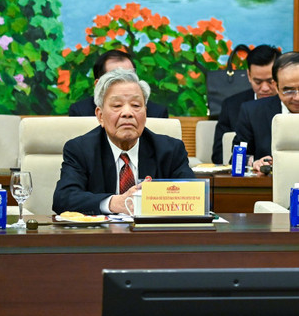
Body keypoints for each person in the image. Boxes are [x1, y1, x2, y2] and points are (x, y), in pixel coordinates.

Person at [53, 68, 194, 215]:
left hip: (153, 235)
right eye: (117, 106)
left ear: (145, 113)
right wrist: (114, 203)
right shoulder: (80, 149)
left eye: (136, 105)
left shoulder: (170, 150)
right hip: (101, 236)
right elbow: (63, 199)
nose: (127, 113)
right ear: (100, 116)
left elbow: (195, 198)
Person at [211, 45, 281, 163]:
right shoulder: (232, 106)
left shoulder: (291, 103)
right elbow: (219, 155)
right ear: (249, 76)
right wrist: (252, 161)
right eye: (257, 82)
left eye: (271, 81)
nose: (264, 88)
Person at [69, 50, 169, 118]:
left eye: (129, 77)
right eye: (115, 79)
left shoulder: (157, 113)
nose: (124, 83)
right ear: (98, 84)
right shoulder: (80, 112)